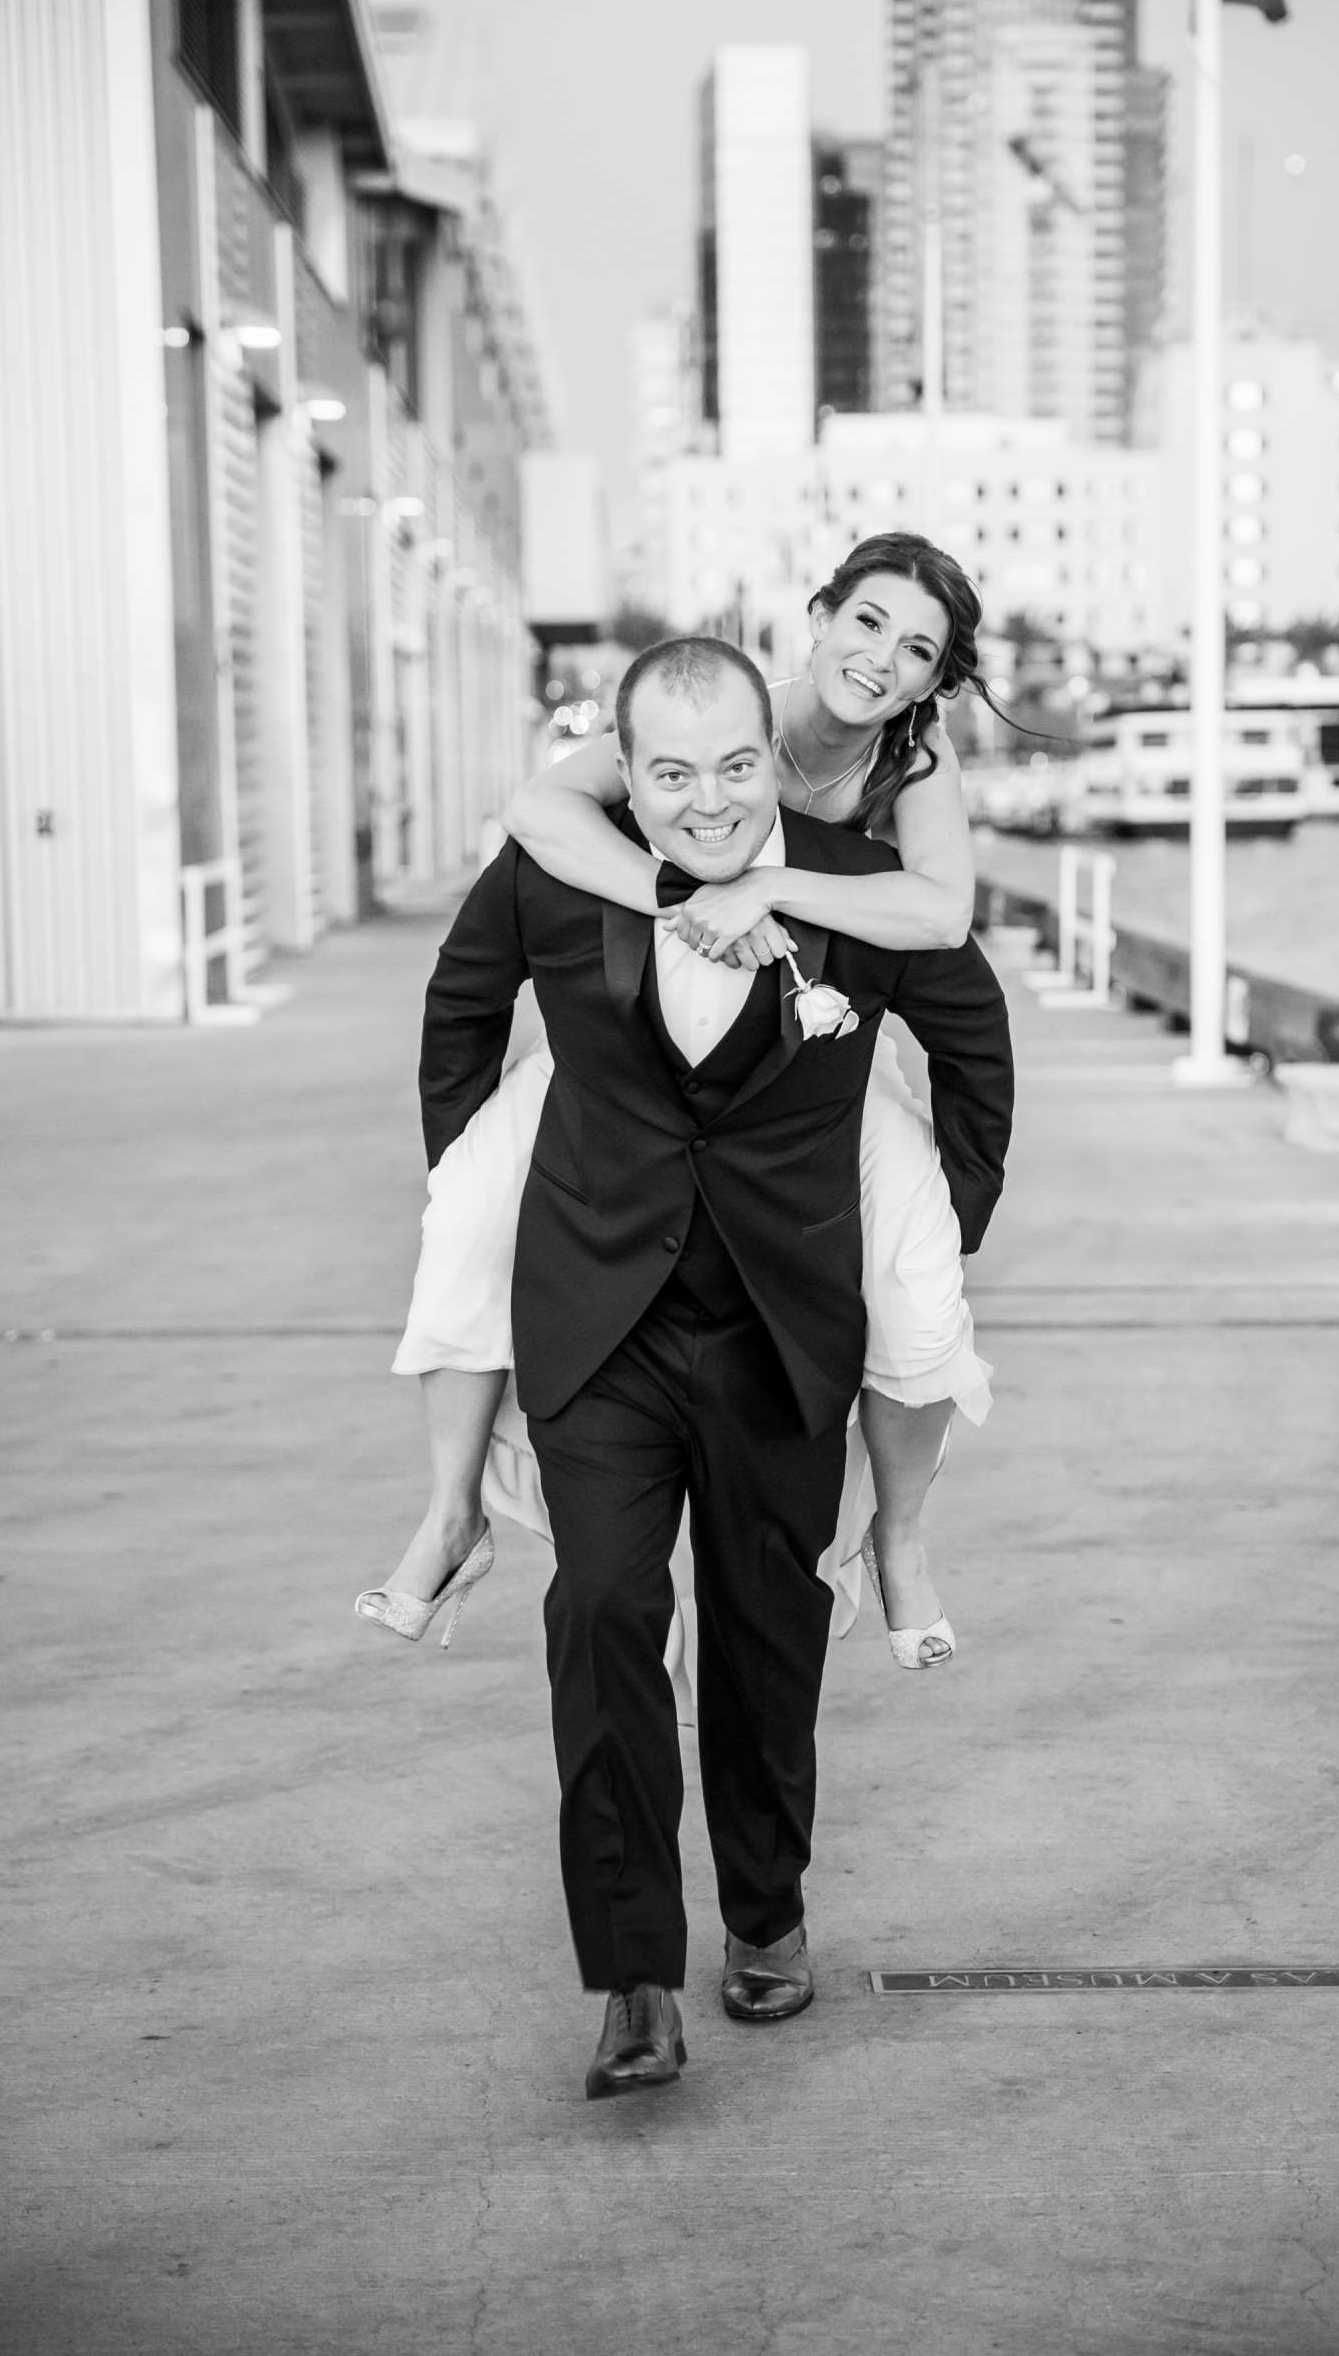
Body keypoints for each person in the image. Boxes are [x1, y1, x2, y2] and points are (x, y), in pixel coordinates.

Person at [408, 636, 1013, 2095]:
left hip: (775, 1325)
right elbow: (460, 1011)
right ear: (630, 768)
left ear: (769, 751)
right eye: (671, 774)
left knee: (762, 1632)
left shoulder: (846, 884)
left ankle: (765, 1917)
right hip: (598, 1321)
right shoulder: (562, 871)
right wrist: (486, 1186)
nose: (707, 803)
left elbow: (971, 1028)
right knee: (603, 1610)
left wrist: (955, 1217)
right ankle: (628, 1975)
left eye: (736, 765)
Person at [359, 533, 1005, 1667]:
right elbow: (538, 816)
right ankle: (450, 1513)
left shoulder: (916, 763)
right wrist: (679, 892)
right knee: (464, 1216)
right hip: (630, 1049)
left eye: (918, 651)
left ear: (933, 679)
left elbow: (941, 922)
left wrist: (767, 883)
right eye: (867, 624)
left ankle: (896, 1541)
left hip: (813, 1060)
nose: (882, 662)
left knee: (916, 1284)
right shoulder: (711, 707)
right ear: (820, 612)